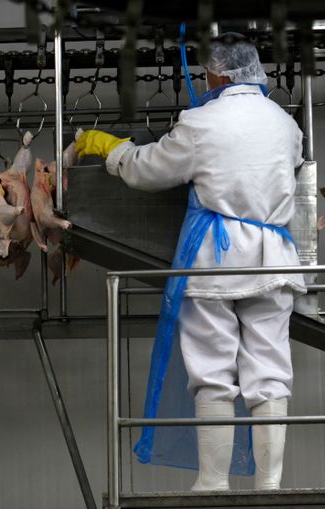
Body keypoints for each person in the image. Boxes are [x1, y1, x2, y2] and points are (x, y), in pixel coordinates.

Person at [76, 33, 305, 491]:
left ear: (217, 73)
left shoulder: (202, 122)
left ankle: (214, 482)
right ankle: (270, 485)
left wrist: (111, 149)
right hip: (274, 261)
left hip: (214, 263)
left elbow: (148, 170)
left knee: (213, 373)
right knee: (270, 374)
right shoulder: (285, 125)